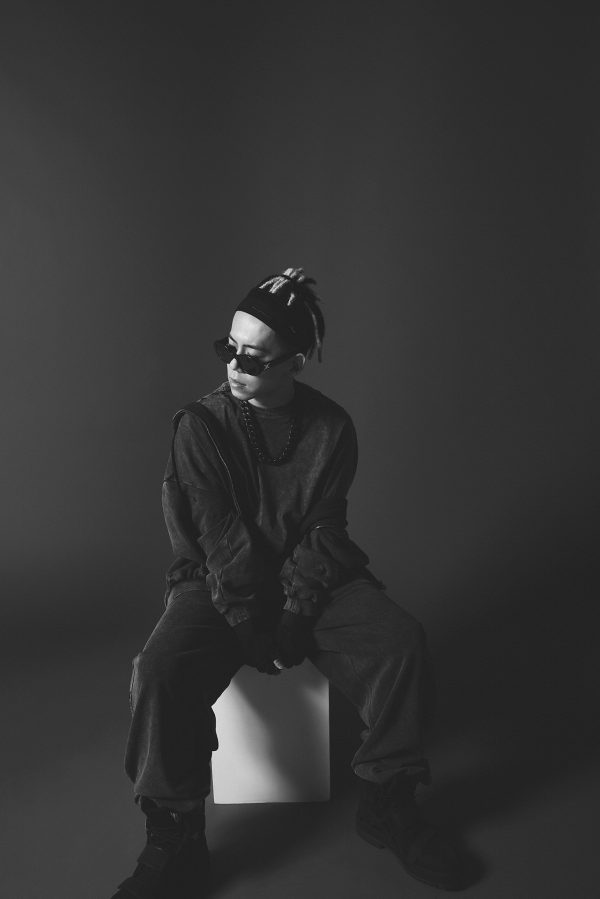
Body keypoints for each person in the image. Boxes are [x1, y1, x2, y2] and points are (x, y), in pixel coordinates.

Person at [110, 267, 465, 898]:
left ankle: (389, 800)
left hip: (314, 580)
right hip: (217, 583)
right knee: (158, 670)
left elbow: (326, 526)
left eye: (254, 357)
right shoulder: (200, 425)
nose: (235, 365)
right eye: (228, 348)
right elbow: (217, 533)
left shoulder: (332, 428)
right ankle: (177, 836)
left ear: (296, 362)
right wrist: (248, 620)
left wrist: (299, 610)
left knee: (400, 642)